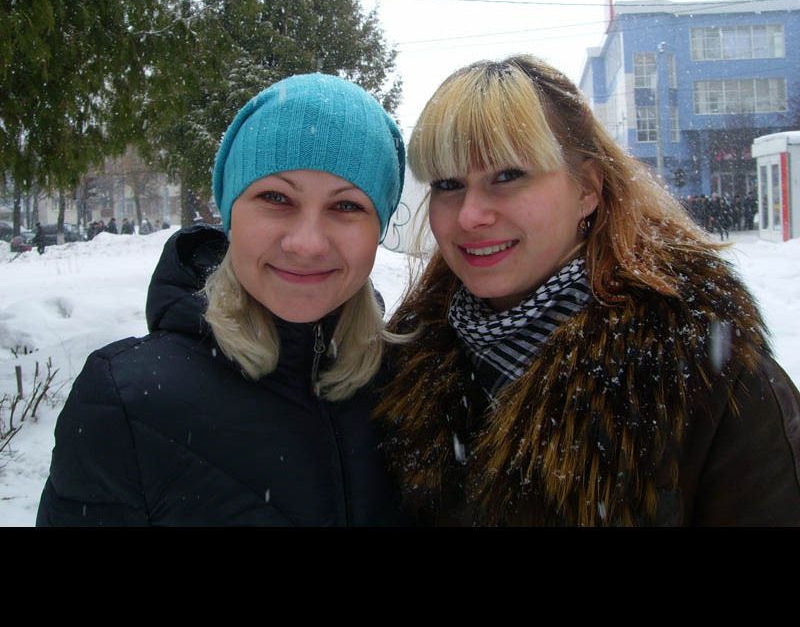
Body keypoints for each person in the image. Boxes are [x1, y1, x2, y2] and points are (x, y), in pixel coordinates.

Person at [375, 55, 800, 527]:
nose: (470, 215)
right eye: (448, 184)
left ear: (587, 190)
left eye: (507, 176)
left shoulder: (706, 375)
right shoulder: (402, 366)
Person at [37, 73, 408, 527]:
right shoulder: (126, 404)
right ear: (231, 215)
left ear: (378, 229)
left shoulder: (411, 391)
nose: (307, 243)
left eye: (346, 206)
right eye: (276, 197)